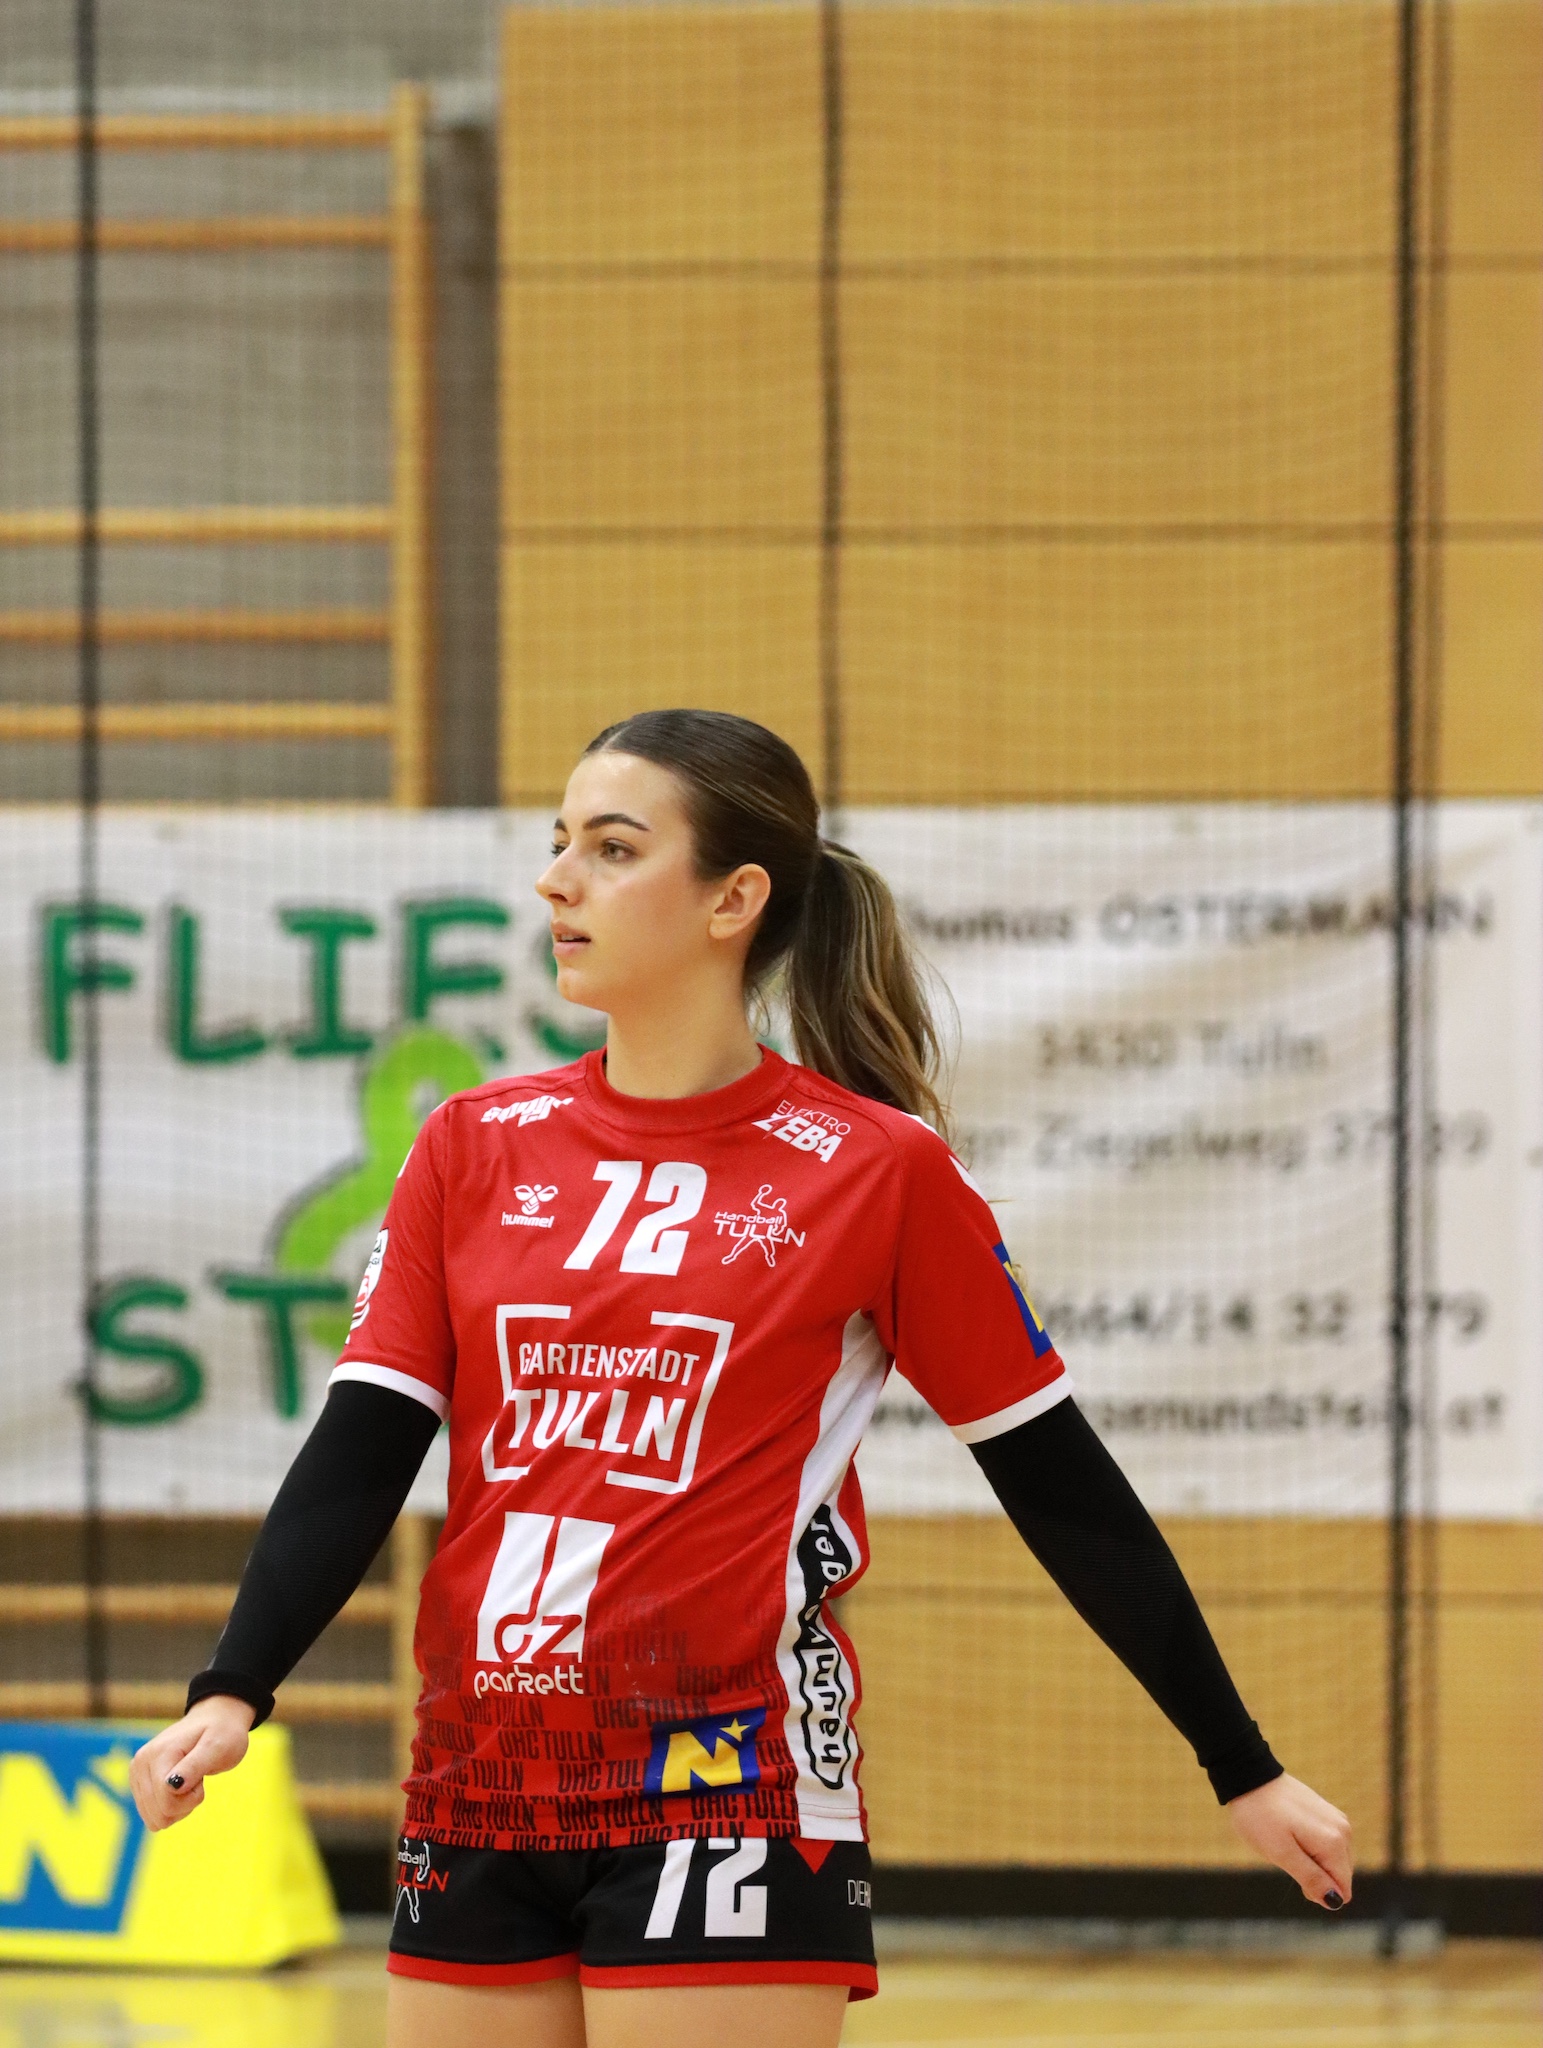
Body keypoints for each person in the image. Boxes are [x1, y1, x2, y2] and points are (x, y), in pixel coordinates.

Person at [129, 710, 1352, 2048]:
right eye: (559, 843)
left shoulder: (877, 1171)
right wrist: (234, 1688)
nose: (557, 881)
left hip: (729, 1783)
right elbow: (361, 1452)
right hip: (479, 1779)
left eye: (611, 849)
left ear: (734, 899)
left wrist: (1240, 1763)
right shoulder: (470, 1147)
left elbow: (1060, 1484)